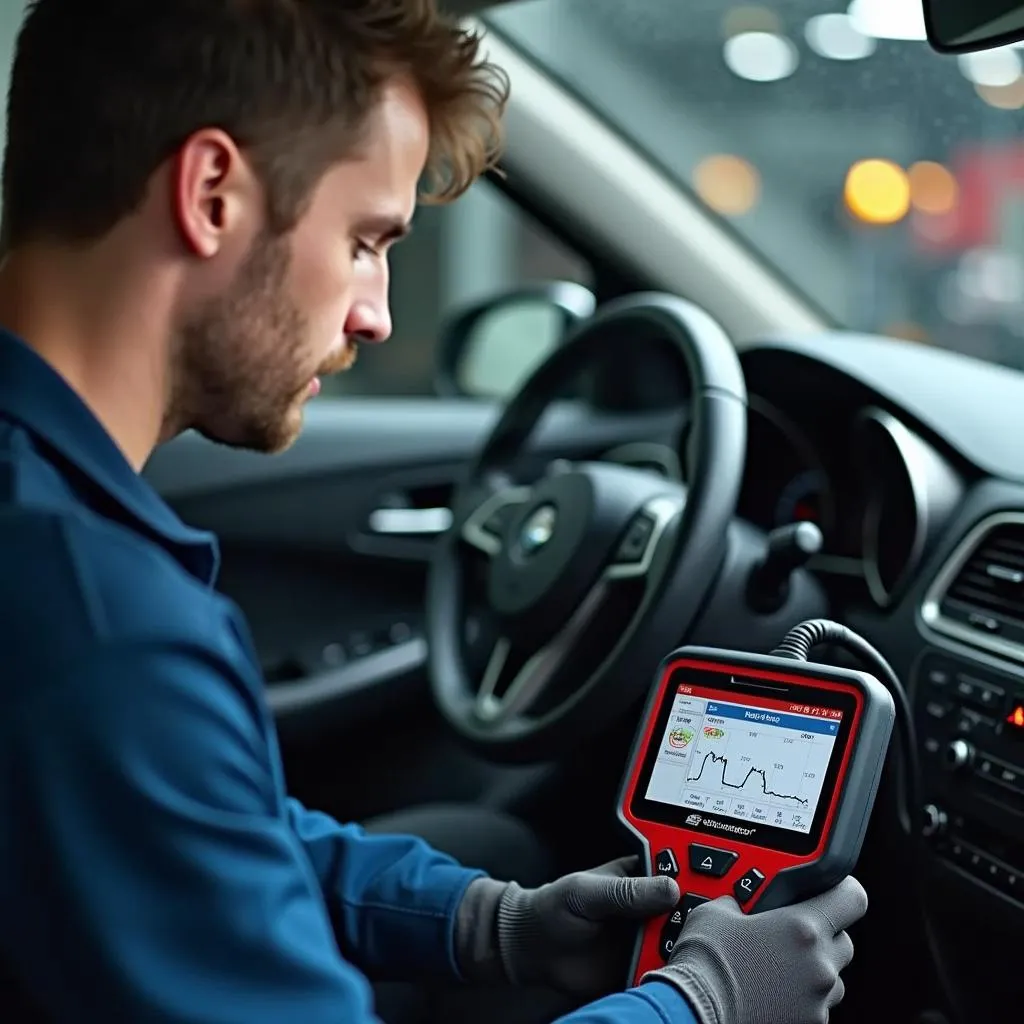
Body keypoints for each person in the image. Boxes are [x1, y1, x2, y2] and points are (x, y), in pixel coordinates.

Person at [0, 1, 868, 1022]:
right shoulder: (99, 624)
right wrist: (701, 1002)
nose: (376, 312)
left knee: (488, 850)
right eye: (367, 240)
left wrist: (484, 922)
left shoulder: (57, 535)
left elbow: (191, 826)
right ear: (212, 194)